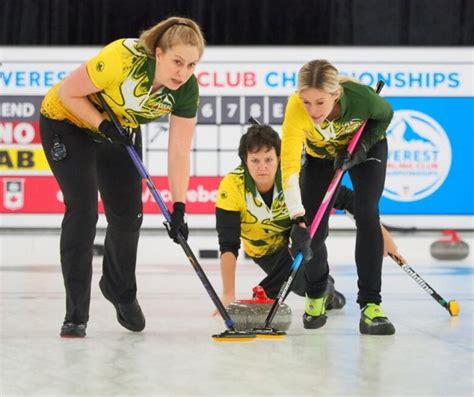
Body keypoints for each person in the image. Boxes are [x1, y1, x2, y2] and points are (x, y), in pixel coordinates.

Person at [39, 17, 206, 338]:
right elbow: (67, 93)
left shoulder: (186, 89)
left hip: (116, 130)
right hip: (68, 121)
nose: (182, 72)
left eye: (191, 65)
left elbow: (179, 152)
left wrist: (180, 207)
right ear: (158, 53)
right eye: (177, 62)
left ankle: (119, 290)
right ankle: (75, 313)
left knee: (129, 216)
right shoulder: (123, 58)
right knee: (83, 211)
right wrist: (102, 126)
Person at [215, 125, 402, 318]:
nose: (262, 167)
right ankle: (327, 290)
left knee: (306, 256)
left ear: (279, 158)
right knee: (304, 285)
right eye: (255, 160)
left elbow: (346, 199)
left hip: (298, 239)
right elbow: (228, 244)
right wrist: (228, 294)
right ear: (244, 161)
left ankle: (277, 291)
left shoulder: (293, 176)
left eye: (268, 159)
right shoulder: (232, 187)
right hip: (265, 251)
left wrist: (380, 233)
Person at [280, 59, 395, 335]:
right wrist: (297, 218)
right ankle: (317, 292)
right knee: (313, 232)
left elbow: (386, 115)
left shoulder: (361, 98)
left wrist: (364, 145)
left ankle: (370, 305)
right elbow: (289, 168)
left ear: (336, 95)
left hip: (365, 149)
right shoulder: (296, 109)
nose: (313, 111)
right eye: (306, 102)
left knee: (367, 213)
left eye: (320, 102)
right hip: (322, 158)